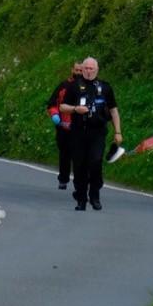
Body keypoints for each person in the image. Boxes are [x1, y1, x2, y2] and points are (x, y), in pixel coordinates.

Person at [60, 57, 122, 211]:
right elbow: (62, 107)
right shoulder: (74, 86)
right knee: (79, 166)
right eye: (86, 68)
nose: (88, 71)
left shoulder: (105, 88)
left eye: (91, 68)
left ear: (97, 70)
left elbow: (113, 110)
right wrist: (75, 109)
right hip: (78, 133)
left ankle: (95, 195)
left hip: (97, 133)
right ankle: (81, 199)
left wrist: (118, 132)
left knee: (95, 162)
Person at [47, 62, 83, 189]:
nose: (78, 72)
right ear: (72, 70)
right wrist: (55, 115)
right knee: (65, 153)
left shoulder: (88, 87)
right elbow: (52, 104)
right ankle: (63, 178)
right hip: (64, 126)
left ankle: (81, 181)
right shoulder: (63, 86)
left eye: (81, 70)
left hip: (80, 127)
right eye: (76, 70)